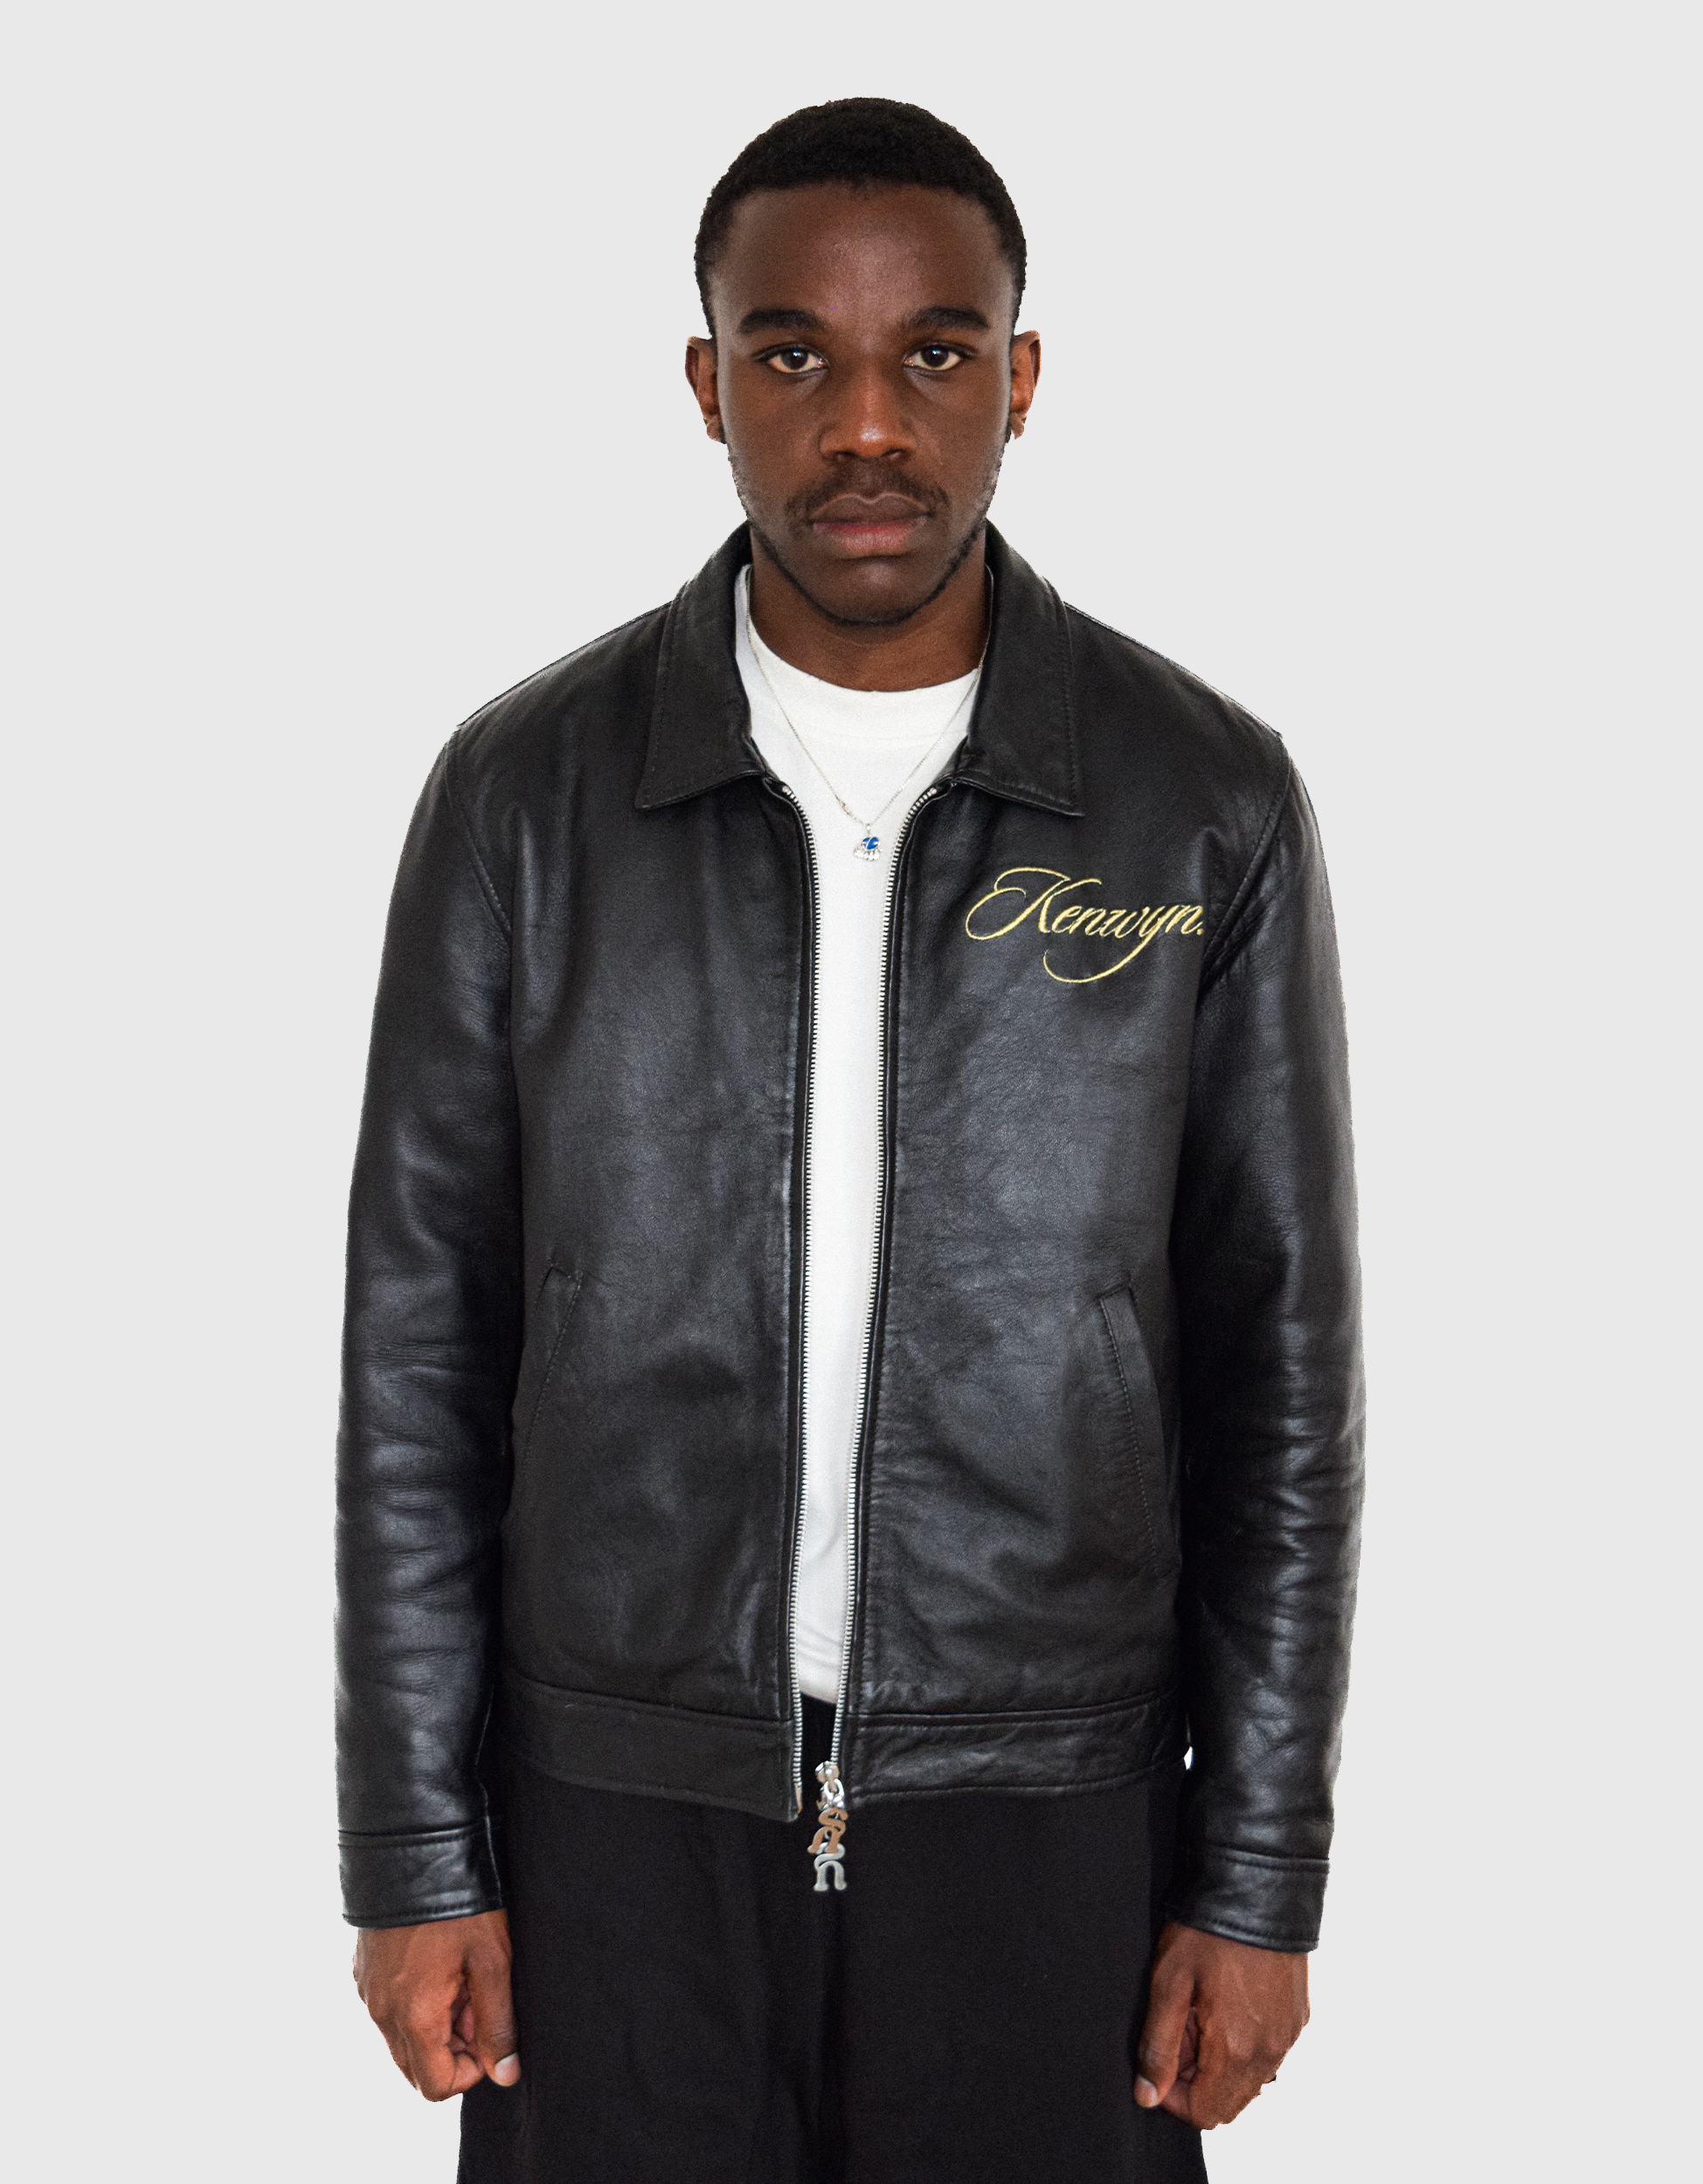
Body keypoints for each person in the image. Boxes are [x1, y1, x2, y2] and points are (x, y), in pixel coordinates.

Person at [338, 97, 1364, 2184]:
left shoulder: (1196, 801)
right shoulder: (525, 796)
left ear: (1021, 377)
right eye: (794, 353)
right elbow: (416, 1356)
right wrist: (417, 1847)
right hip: (613, 1809)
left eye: (936, 352)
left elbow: (1281, 1373)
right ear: (706, 379)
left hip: (1048, 1800)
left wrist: (1253, 1872)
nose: (867, 424)